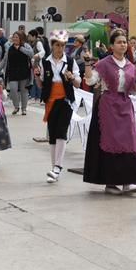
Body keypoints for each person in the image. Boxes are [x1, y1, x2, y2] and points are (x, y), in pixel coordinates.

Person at [82, 30, 136, 194]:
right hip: (108, 106)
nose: (123, 45)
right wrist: (88, 63)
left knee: (130, 141)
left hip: (125, 105)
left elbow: (133, 91)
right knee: (111, 142)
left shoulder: (131, 66)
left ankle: (128, 181)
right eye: (119, 42)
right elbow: (90, 80)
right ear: (111, 46)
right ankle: (110, 183)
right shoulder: (104, 63)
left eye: (125, 42)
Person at [38, 32, 82, 183]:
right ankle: (54, 168)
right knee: (53, 133)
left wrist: (71, 78)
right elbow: (41, 84)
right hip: (51, 100)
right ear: (52, 46)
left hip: (66, 100)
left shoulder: (70, 61)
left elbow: (78, 83)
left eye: (63, 45)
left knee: (61, 132)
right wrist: (37, 75)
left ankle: (58, 166)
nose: (60, 48)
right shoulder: (45, 62)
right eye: (57, 45)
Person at [4, 30, 34, 116]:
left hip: (24, 72)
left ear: (21, 38)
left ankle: (24, 109)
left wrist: (20, 48)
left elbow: (31, 54)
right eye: (14, 37)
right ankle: (16, 106)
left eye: (16, 37)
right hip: (12, 72)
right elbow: (5, 60)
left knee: (24, 91)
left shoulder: (26, 45)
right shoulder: (10, 47)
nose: (15, 39)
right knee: (13, 89)